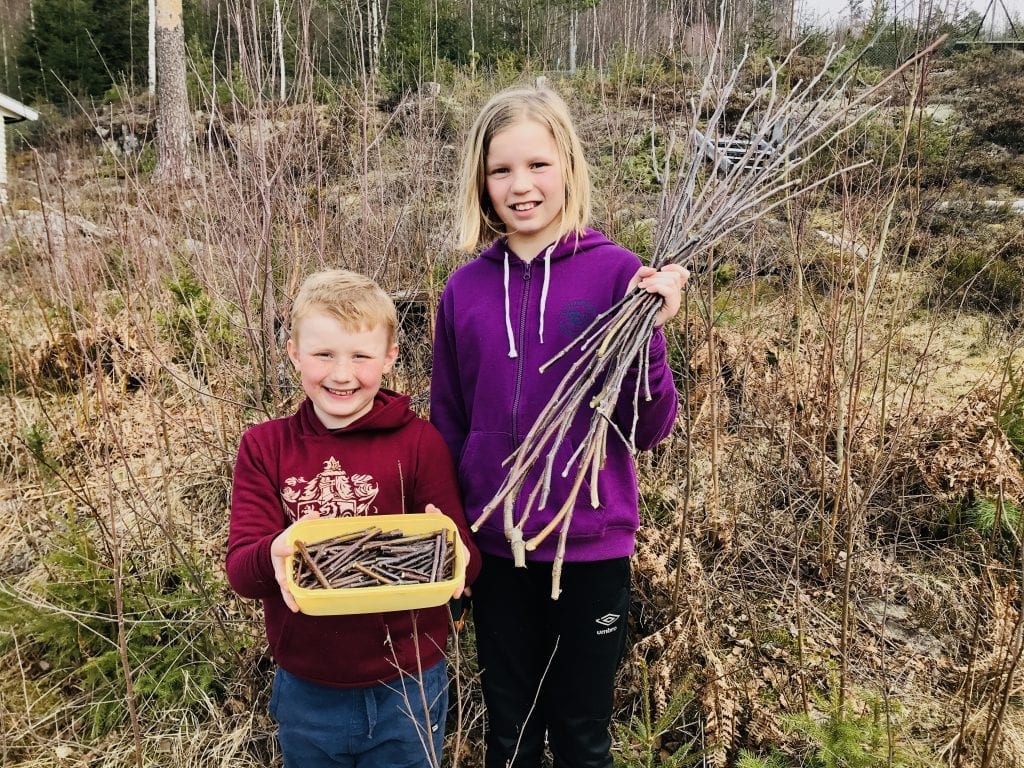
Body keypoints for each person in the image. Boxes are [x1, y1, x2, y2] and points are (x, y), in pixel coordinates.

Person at [429, 85, 688, 768]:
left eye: (538, 165)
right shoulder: (464, 292)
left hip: (591, 547)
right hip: (497, 550)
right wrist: (455, 533)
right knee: (510, 736)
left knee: (581, 736)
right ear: (481, 184)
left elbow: (651, 426)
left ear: (568, 165)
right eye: (501, 170)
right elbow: (448, 425)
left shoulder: (616, 275)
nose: (521, 186)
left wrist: (651, 335)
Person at [226, 269, 480, 768]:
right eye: (323, 354)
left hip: (409, 683)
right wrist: (273, 553)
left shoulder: (419, 443)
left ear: (389, 357)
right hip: (308, 687)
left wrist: (450, 548)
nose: (342, 375)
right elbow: (242, 569)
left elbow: (466, 568)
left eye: (361, 356)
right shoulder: (265, 447)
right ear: (293, 352)